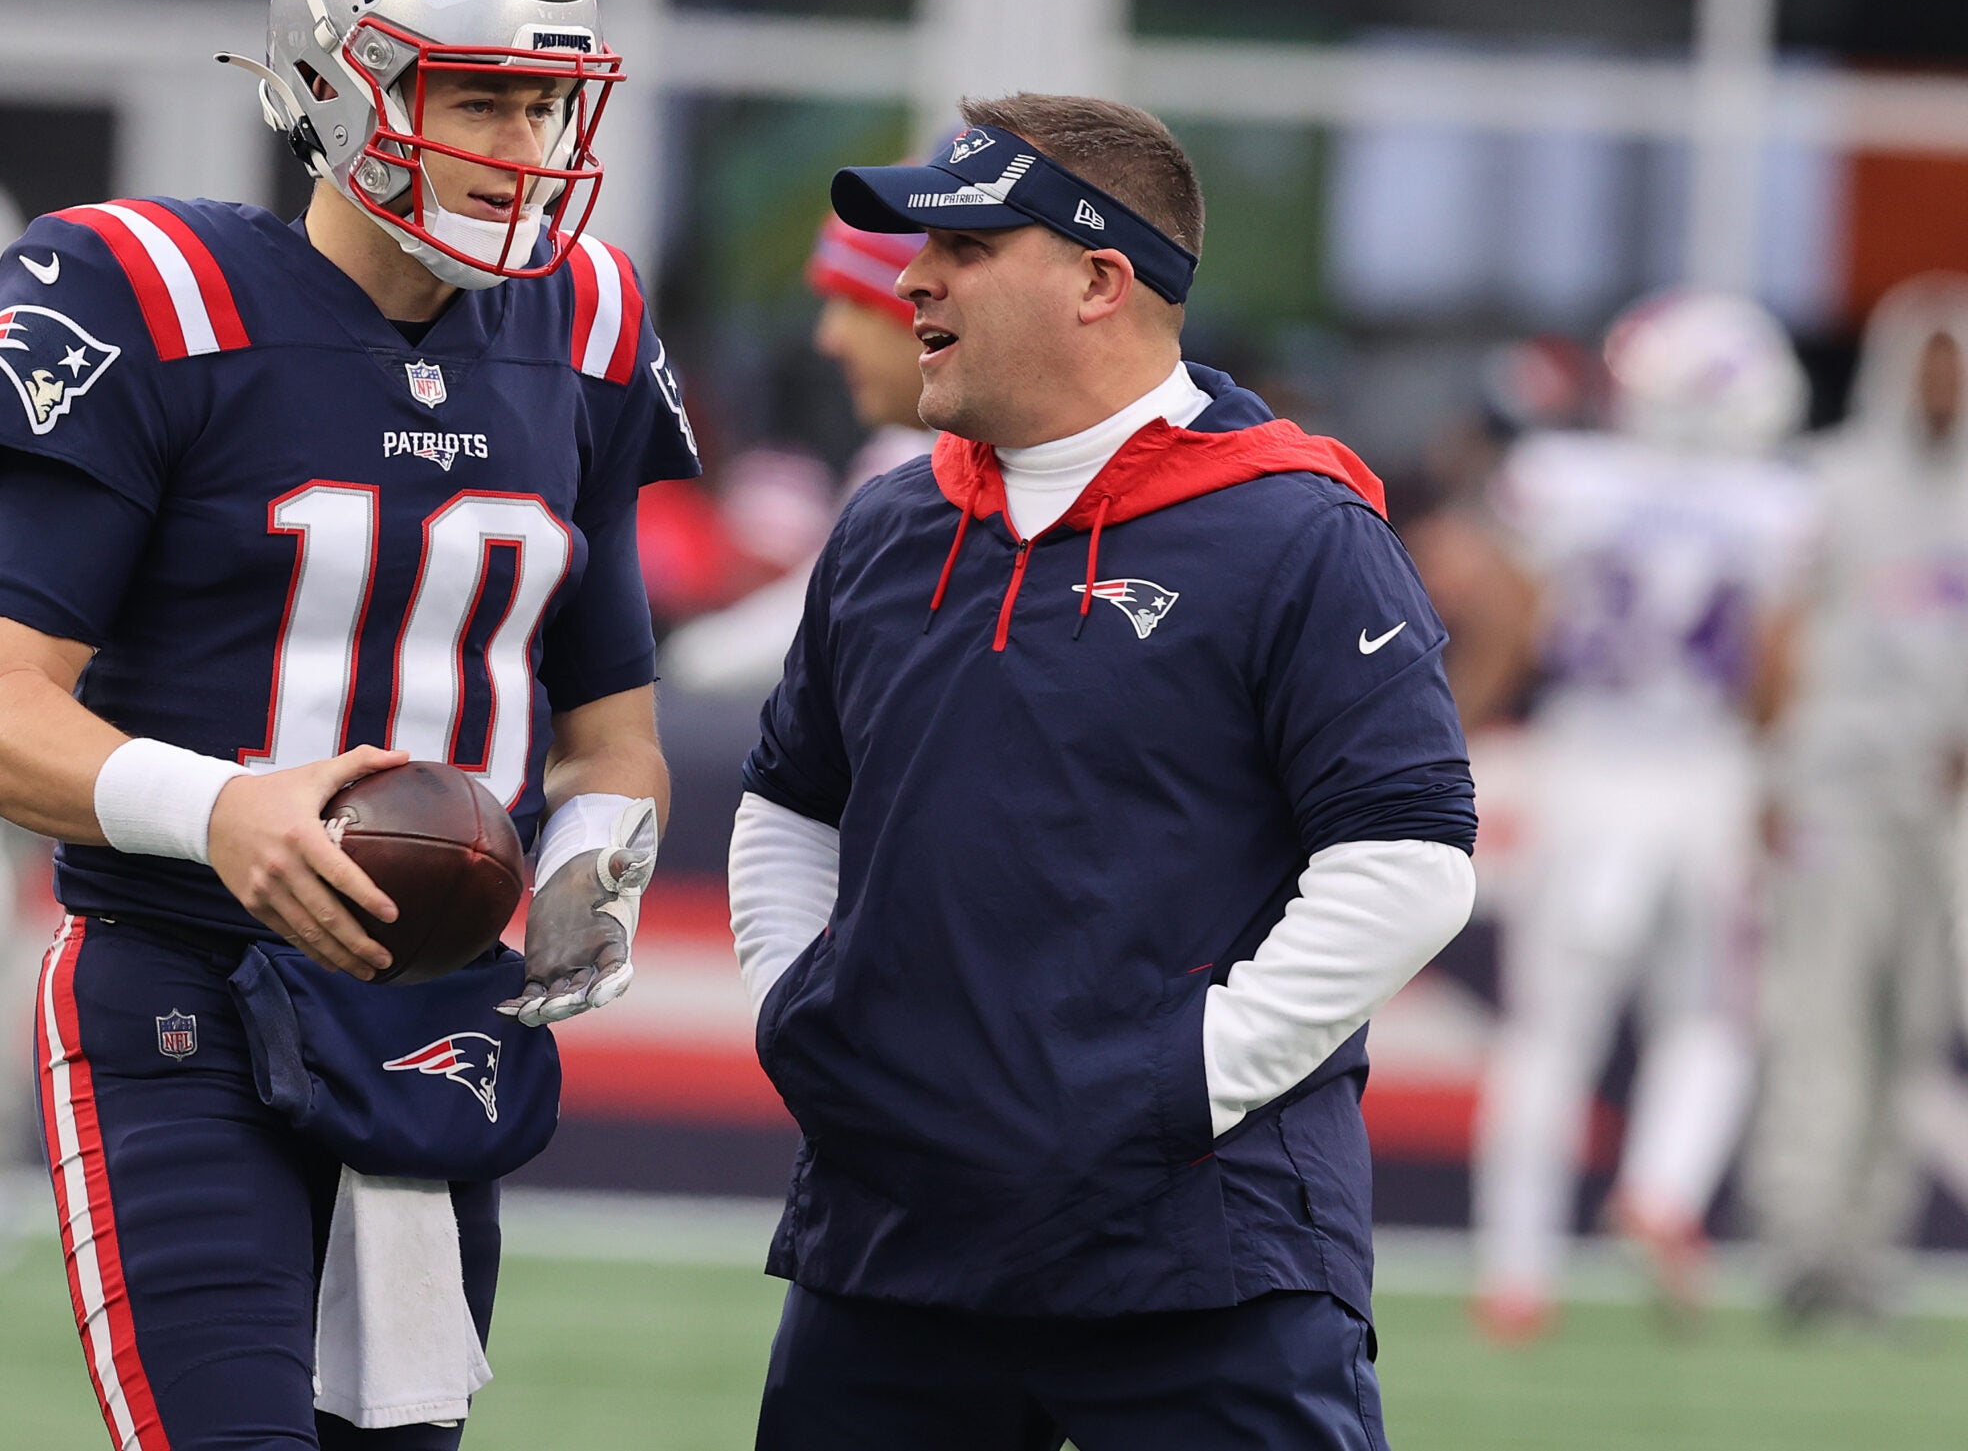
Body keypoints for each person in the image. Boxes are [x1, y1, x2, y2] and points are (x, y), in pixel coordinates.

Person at [0, 0, 698, 1449]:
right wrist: (223, 809)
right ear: (336, 81)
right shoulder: (145, 292)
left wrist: (598, 860)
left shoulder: (591, 327)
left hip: (434, 1015)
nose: (523, 150)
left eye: (548, 105)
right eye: (476, 96)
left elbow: (610, 731)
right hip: (180, 987)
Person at [727, 95, 1477, 1450]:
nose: (911, 277)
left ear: (1098, 279)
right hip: (895, 1239)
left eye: (962, 244)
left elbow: (1409, 861)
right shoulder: (891, 525)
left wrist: (1173, 1085)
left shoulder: (1297, 529)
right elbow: (790, 800)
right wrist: (802, 1008)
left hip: (1204, 1253)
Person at [1466, 292, 1815, 1339]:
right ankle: (1663, 1187)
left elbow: (1515, 629)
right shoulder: (1776, 507)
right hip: (1701, 774)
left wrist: (1455, 726)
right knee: (1706, 1019)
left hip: (1585, 764)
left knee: (1547, 1032)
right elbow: (1772, 669)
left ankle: (1516, 1275)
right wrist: (1774, 778)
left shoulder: (1560, 483)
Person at [1748, 274, 1968, 1329]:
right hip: (1839, 787)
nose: (1940, 383)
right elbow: (1780, 634)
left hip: (1946, 803)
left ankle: (1870, 1247)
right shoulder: (1827, 482)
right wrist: (1777, 774)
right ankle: (1802, 1240)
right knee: (1821, 1013)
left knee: (1911, 1027)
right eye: (1926, 359)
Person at [663, 214, 933, 692]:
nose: (829, 338)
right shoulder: (907, 452)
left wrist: (681, 667)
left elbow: (815, 626)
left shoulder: (931, 473)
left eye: (856, 302)